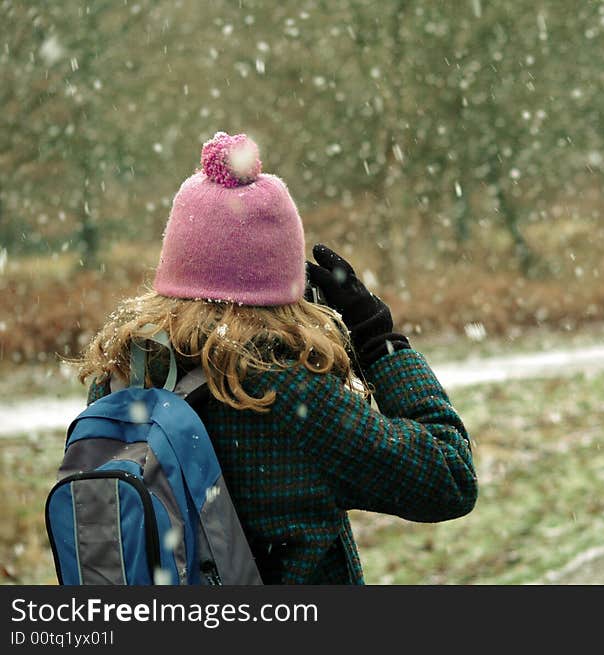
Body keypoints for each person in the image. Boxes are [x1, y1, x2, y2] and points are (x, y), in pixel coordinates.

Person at [74, 131, 478, 584]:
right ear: (289, 284)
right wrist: (381, 343)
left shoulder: (125, 374)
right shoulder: (290, 395)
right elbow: (449, 478)